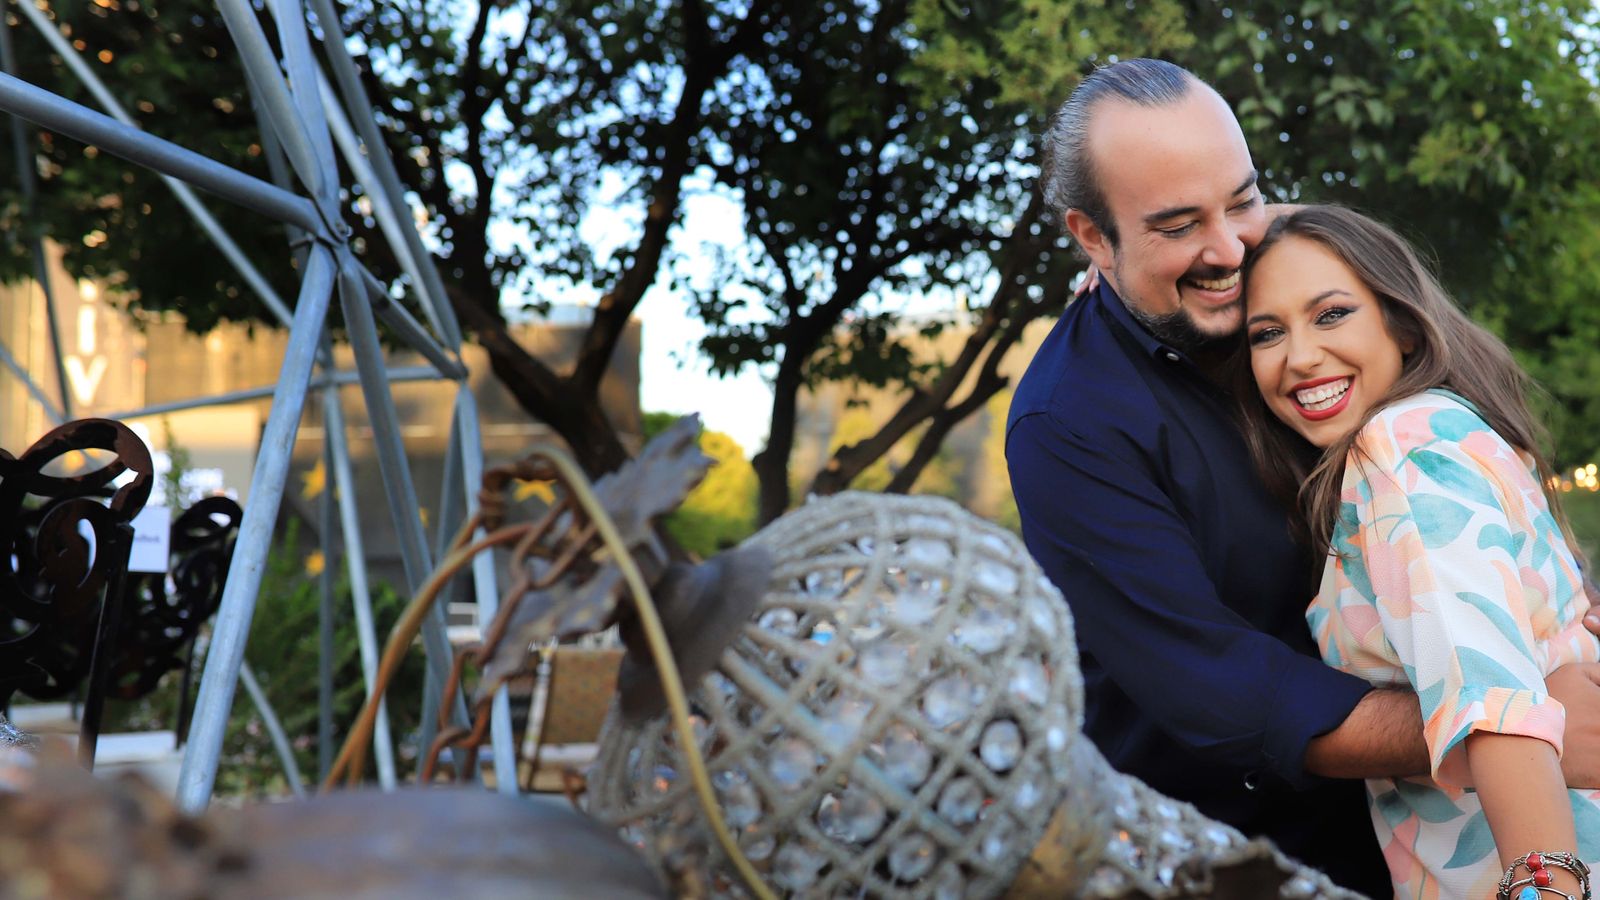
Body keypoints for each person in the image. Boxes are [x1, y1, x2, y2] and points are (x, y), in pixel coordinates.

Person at [1005, 57, 1600, 899]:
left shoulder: (1359, 373)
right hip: (1239, 855)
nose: (1228, 249)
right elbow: (1220, 690)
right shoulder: (1067, 425)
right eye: (1178, 225)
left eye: (1243, 199)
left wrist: (1550, 621)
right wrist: (1510, 722)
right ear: (1093, 238)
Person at [1235, 204, 1600, 899]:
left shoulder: (1400, 447)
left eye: (1332, 313)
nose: (1301, 355)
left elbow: (1494, 703)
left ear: (1400, 321)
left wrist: (1546, 888)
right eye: (1267, 332)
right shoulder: (1452, 432)